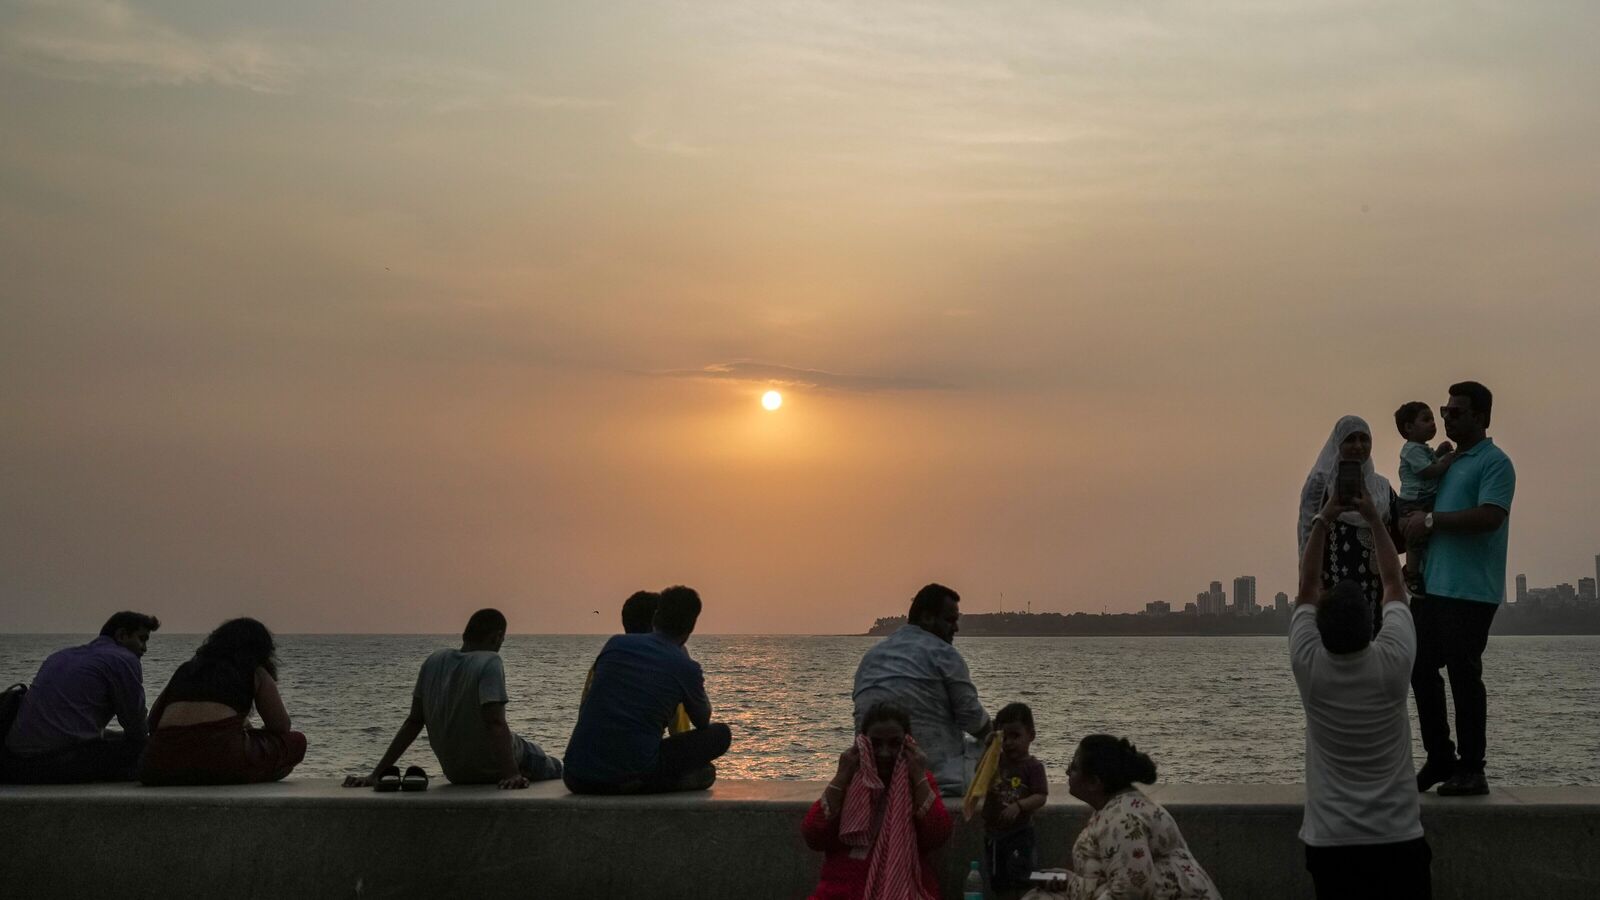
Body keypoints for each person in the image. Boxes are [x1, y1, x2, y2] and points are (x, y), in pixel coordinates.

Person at [1293, 485, 1430, 898]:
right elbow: (1392, 581)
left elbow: (1307, 586)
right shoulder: (1393, 662)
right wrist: (1375, 519)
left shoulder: (1311, 667)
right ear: (1371, 621)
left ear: (1319, 627)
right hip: (1398, 837)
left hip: (1332, 842)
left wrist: (1323, 519)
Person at [1400, 381, 1515, 797]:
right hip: (1432, 589)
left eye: (1457, 412)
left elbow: (1490, 517)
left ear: (1481, 418)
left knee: (1464, 675)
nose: (1447, 417)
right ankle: (1440, 758)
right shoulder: (1444, 464)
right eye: (1445, 410)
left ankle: (1472, 767)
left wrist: (1431, 522)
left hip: (1470, 592)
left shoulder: (1495, 463)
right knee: (1418, 666)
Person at [346, 608, 560, 789]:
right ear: (497, 637)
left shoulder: (433, 661)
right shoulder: (490, 661)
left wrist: (375, 775)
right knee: (556, 767)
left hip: (457, 773)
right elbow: (494, 722)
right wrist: (511, 774)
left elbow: (413, 722)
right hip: (497, 766)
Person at [563, 585, 732, 794]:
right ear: (691, 627)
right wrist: (685, 661)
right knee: (721, 735)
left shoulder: (615, 644)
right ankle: (643, 782)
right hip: (628, 776)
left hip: (575, 776)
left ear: (656, 617)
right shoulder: (684, 666)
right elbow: (702, 720)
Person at [1023, 735, 1219, 900]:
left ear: (1094, 782)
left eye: (1073, 767)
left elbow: (1131, 892)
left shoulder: (1122, 820)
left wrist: (1072, 884)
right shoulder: (1118, 808)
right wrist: (1068, 881)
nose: (1067, 772)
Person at [801, 703, 952, 900]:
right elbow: (814, 836)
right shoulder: (850, 778)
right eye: (876, 744)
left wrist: (919, 776)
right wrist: (841, 776)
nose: (884, 752)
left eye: (894, 744)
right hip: (842, 887)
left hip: (902, 886)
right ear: (863, 743)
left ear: (907, 744)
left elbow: (937, 834)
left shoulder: (918, 781)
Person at [852, 583, 991, 796]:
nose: (956, 628)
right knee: (996, 744)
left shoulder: (871, 656)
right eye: (950, 620)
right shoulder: (944, 654)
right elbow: (972, 719)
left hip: (872, 776)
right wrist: (996, 734)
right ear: (926, 618)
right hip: (935, 778)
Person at [139, 618, 306, 785]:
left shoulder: (186, 669)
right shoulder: (255, 671)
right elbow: (280, 726)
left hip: (159, 765)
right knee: (296, 742)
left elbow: (153, 722)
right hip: (223, 761)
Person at [0, 612, 160, 784]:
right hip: (56, 762)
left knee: (114, 737)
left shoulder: (59, 656)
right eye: (142, 639)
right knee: (149, 750)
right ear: (121, 635)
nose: (144, 648)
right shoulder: (123, 659)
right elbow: (136, 727)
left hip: (15, 761)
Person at [1298, 415, 1399, 635]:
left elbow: (1398, 536)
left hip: (1376, 588)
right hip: (1332, 588)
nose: (1358, 446)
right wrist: (1315, 589)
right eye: (1350, 440)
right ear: (1337, 445)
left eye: (1364, 439)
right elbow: (1307, 538)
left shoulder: (1382, 489)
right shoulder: (1319, 488)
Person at [981, 703, 1048, 896]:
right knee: (997, 881)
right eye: (1004, 737)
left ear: (1031, 736)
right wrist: (988, 749)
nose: (1009, 743)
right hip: (993, 834)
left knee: (1020, 880)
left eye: (1015, 736)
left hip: (1019, 835)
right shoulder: (996, 761)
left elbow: (1041, 796)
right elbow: (980, 774)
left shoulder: (1033, 767)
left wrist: (1019, 806)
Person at [1393, 401, 1456, 594]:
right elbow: (1428, 471)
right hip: (1413, 503)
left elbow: (1429, 461)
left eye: (1432, 419)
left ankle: (1421, 572)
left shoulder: (1421, 449)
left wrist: (1439, 453)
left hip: (1424, 502)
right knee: (1414, 540)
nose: (1432, 423)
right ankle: (1411, 574)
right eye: (1426, 419)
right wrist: (1447, 461)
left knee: (1424, 539)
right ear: (1409, 428)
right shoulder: (1411, 450)